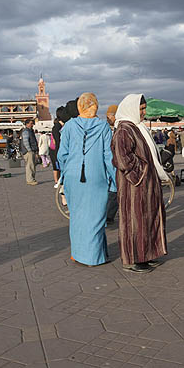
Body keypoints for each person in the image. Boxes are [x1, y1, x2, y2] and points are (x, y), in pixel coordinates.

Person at [112, 93, 169, 273]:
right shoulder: (124, 130)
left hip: (147, 185)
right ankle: (135, 258)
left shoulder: (137, 127)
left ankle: (148, 254)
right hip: (134, 186)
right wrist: (142, 173)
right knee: (135, 221)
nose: (143, 112)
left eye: (144, 109)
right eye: (141, 109)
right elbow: (122, 158)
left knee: (149, 219)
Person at [58, 93, 116, 267]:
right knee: (96, 217)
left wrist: (65, 174)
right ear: (95, 106)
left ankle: (78, 253)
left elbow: (62, 155)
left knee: (77, 216)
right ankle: (93, 256)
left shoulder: (69, 126)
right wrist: (114, 180)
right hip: (96, 176)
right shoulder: (103, 127)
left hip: (73, 176)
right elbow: (108, 156)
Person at [105, 105, 119, 225]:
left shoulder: (119, 128)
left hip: (114, 163)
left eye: (108, 116)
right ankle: (109, 215)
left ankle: (109, 215)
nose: (107, 118)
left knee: (114, 190)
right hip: (112, 163)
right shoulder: (112, 128)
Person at [20, 119, 39, 186]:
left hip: (32, 150)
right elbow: (26, 141)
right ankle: (30, 180)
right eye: (31, 123)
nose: (32, 124)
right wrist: (29, 150)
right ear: (27, 124)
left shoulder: (30, 131)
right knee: (30, 166)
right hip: (29, 151)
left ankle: (32, 179)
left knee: (32, 165)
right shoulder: (26, 131)